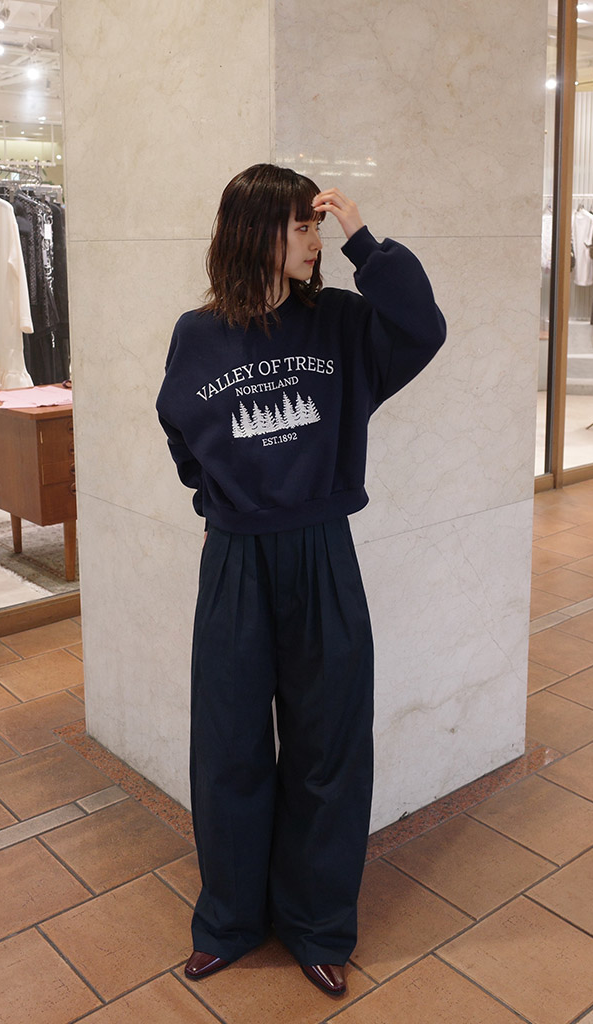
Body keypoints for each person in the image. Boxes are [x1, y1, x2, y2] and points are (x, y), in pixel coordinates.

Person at [156, 163, 446, 997]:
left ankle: (317, 924)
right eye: (302, 226)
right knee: (229, 747)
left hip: (322, 550)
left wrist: (366, 243)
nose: (314, 241)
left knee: (330, 746)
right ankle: (230, 920)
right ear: (255, 232)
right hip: (237, 559)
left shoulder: (342, 323)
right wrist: (222, 499)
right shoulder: (197, 333)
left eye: (317, 226)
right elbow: (180, 429)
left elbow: (422, 329)